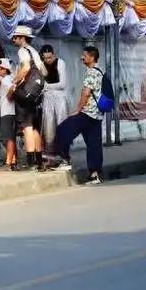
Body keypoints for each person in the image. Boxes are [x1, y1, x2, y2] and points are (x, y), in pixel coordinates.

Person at [50, 45, 105, 185]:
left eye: (85, 55)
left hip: (87, 113)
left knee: (63, 129)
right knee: (94, 144)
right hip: (97, 114)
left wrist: (78, 109)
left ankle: (65, 159)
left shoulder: (92, 72)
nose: (82, 57)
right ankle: (94, 174)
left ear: (92, 57)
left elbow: (86, 93)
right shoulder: (100, 71)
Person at [9, 25, 45, 171]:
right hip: (36, 93)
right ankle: (39, 160)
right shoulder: (34, 51)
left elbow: (25, 68)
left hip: (26, 93)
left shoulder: (23, 51)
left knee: (26, 127)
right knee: (35, 127)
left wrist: (15, 82)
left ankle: (31, 162)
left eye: (16, 37)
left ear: (22, 38)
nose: (14, 39)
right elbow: (44, 71)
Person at [39, 45, 69, 155]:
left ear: (53, 55)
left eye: (50, 57)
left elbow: (62, 84)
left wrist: (46, 86)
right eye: (45, 58)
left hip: (60, 98)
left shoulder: (60, 63)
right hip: (47, 98)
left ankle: (63, 151)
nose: (48, 60)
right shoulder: (41, 65)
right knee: (48, 125)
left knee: (61, 124)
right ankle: (49, 152)